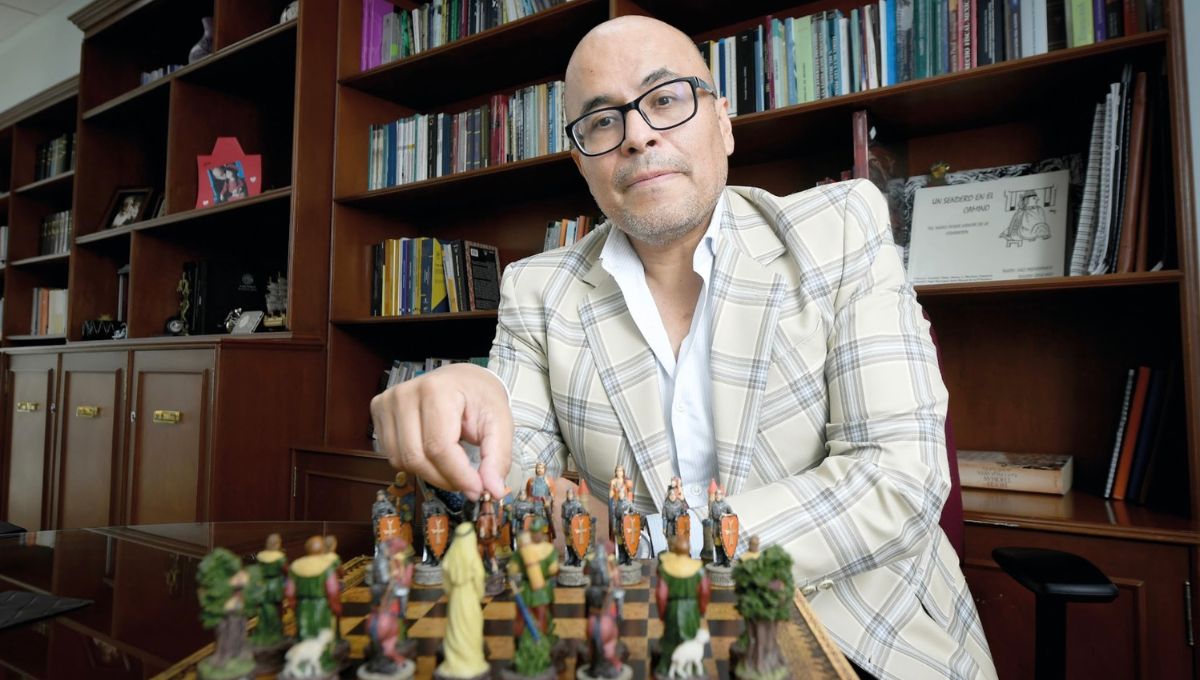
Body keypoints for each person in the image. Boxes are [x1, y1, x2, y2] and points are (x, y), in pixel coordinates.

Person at [370, 15, 996, 679]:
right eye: (603, 121)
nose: (638, 135)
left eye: (665, 99)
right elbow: (516, 481)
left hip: (858, 630)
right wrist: (467, 420)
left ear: (723, 122)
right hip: (640, 637)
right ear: (582, 162)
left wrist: (657, 540)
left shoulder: (840, 229)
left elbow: (896, 479)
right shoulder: (538, 289)